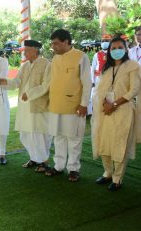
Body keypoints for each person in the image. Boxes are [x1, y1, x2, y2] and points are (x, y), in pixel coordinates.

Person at [91, 36, 140, 191]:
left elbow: (134, 89)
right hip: (105, 110)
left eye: (120, 47)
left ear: (126, 49)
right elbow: (100, 89)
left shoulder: (132, 66)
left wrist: (115, 104)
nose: (116, 51)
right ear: (109, 50)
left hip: (123, 109)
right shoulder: (107, 68)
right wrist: (105, 104)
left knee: (119, 143)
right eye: (113, 48)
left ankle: (118, 178)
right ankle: (108, 173)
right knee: (105, 141)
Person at [45, 29, 92, 182]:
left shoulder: (81, 56)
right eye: (52, 44)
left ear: (66, 42)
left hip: (74, 106)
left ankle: (73, 169)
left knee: (73, 139)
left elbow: (87, 83)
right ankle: (58, 166)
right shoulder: (55, 59)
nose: (53, 47)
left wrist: (84, 104)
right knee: (58, 137)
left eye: (56, 43)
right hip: (56, 105)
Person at [1, 40, 52, 172]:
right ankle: (34, 158)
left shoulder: (46, 64)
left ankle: (44, 162)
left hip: (38, 105)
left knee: (39, 134)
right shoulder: (24, 66)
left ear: (35, 50)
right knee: (25, 133)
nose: (24, 52)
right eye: (24, 50)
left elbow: (47, 85)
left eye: (27, 50)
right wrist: (5, 82)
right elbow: (17, 81)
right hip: (24, 106)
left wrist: (29, 94)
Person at [88, 34, 112, 114]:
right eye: (103, 41)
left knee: (109, 96)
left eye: (107, 41)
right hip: (98, 79)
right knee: (97, 96)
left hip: (110, 79)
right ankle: (97, 112)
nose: (104, 42)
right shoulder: (96, 54)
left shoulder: (113, 53)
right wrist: (92, 81)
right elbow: (93, 68)